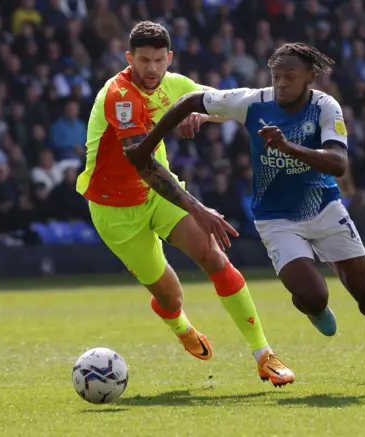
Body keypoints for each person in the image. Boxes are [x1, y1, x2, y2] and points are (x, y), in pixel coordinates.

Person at [125, 42, 365, 393]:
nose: (281, 84)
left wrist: (288, 147)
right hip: (277, 220)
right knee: (313, 296)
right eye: (276, 77)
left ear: (310, 77)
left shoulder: (325, 106)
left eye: (290, 77)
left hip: (324, 209)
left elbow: (338, 163)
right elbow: (190, 102)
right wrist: (147, 144)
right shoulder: (253, 102)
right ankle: (314, 309)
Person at [76, 22, 294, 387]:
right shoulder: (119, 96)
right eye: (143, 60)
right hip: (114, 211)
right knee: (169, 296)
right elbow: (144, 165)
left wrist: (203, 112)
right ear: (129, 59)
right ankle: (181, 326)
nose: (151, 69)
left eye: (159, 60)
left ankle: (264, 355)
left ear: (169, 58)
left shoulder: (176, 86)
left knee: (213, 256)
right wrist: (199, 208)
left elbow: (228, 105)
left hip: (158, 197)